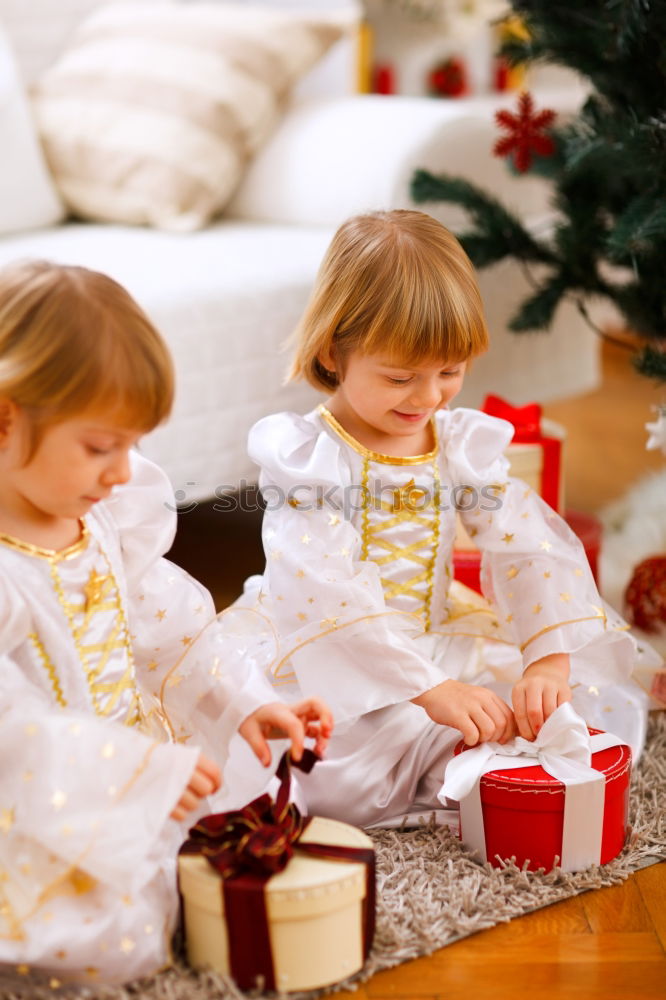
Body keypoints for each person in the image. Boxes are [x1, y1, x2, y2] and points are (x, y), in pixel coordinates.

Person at [235, 209, 662, 830]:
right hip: (333, 653)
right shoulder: (310, 459)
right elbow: (328, 595)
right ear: (333, 350)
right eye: (401, 377)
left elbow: (525, 545)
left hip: (438, 639)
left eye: (450, 373)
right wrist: (430, 691)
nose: (428, 397)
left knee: (557, 708)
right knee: (326, 762)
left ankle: (466, 761)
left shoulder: (455, 442)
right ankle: (451, 765)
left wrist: (546, 657)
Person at [0, 260, 333, 987]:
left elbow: (176, 632)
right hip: (44, 789)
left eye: (133, 446)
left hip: (137, 754)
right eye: (99, 447)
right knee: (110, 937)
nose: (123, 473)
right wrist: (130, 778)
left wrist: (246, 701)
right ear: (5, 418)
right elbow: (12, 726)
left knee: (266, 798)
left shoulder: (106, 522)